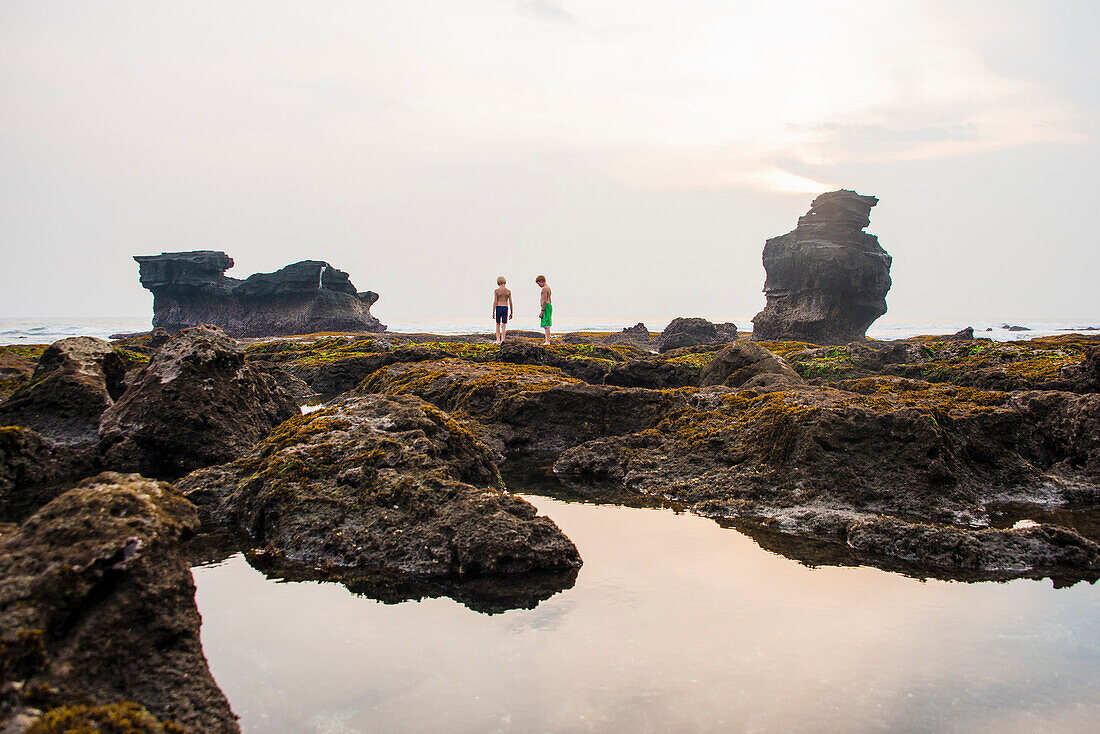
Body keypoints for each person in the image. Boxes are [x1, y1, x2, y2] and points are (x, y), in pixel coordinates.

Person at [492, 276, 513, 344]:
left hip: (498, 307)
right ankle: (503, 339)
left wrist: (493, 311)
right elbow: (510, 302)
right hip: (505, 308)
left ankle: (498, 339)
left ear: (498, 283)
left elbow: (495, 301)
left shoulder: (496, 291)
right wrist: (512, 312)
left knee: (498, 324)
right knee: (504, 324)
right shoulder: (508, 291)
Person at [535, 275, 552, 345]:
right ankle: (547, 340)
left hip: (546, 306)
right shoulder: (548, 288)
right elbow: (549, 299)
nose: (539, 285)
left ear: (541, 281)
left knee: (546, 324)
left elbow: (545, 300)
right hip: (548, 306)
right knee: (546, 324)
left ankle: (547, 341)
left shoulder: (544, 289)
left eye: (539, 283)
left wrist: (542, 310)